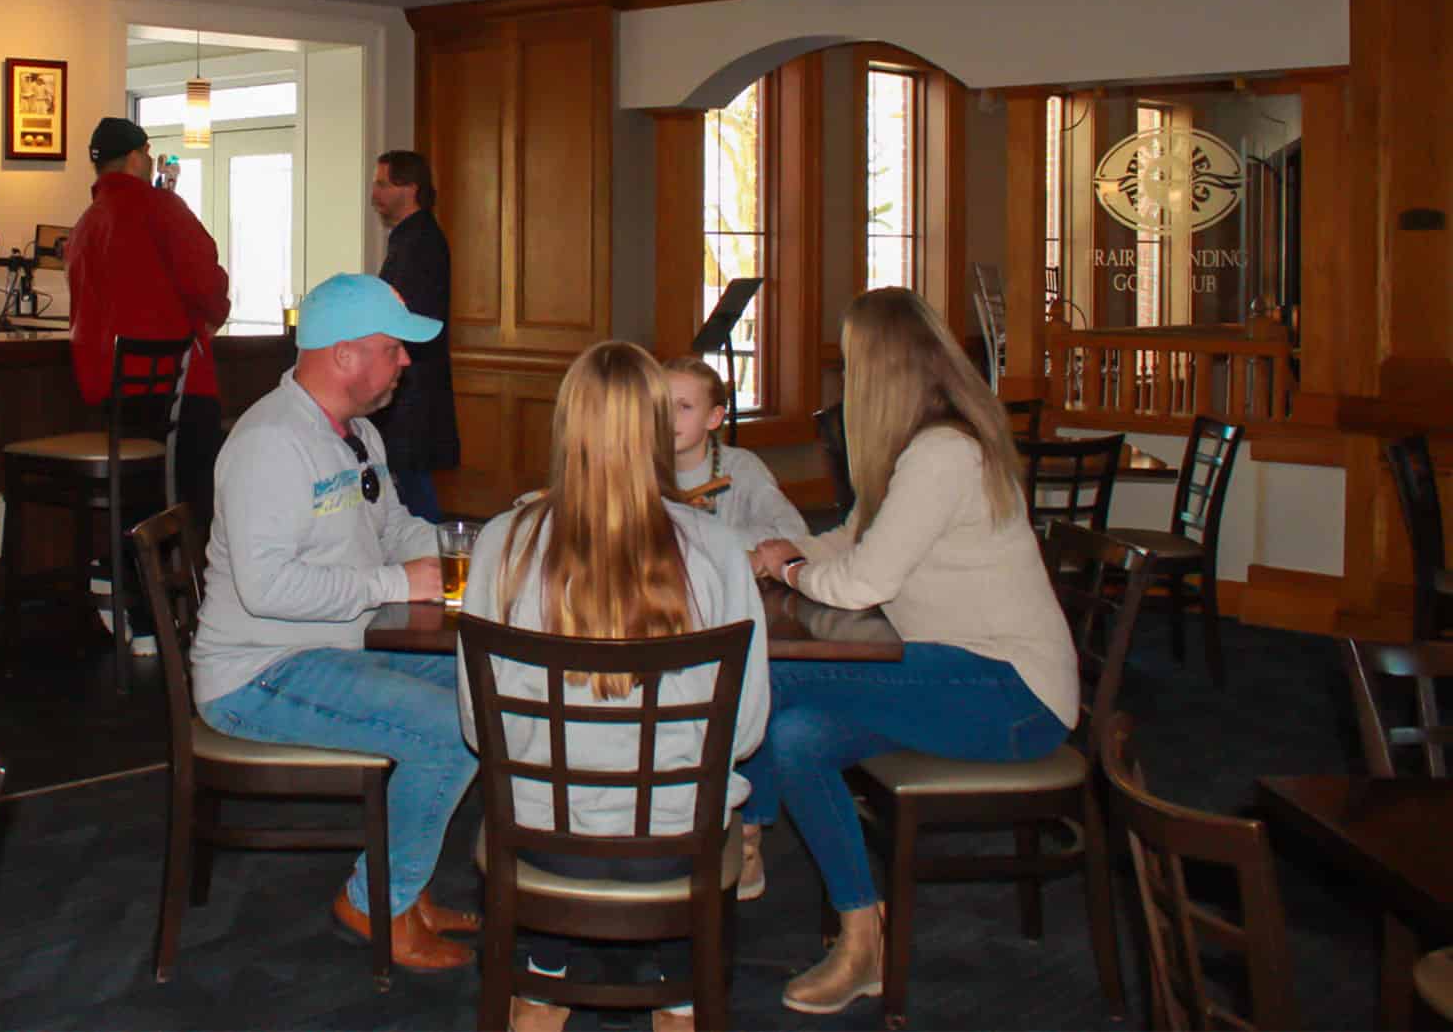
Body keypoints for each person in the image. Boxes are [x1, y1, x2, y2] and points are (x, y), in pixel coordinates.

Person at [740, 287, 1079, 1015]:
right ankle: (864, 939)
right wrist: (783, 550)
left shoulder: (942, 453)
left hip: (1014, 694)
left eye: (851, 361)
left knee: (770, 673)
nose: (844, 377)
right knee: (796, 734)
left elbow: (862, 582)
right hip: (954, 676)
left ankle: (745, 829)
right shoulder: (915, 448)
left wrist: (787, 570)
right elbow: (851, 540)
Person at [460, 341, 770, 1032]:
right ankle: (680, 993)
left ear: (565, 425)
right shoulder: (718, 550)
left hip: (538, 836)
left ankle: (540, 980)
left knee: (544, 801)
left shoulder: (502, 544)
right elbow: (744, 735)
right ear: (660, 429)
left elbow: (478, 729)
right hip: (673, 843)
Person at [191, 272, 479, 972]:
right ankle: (375, 899)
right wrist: (395, 582)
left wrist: (463, 557)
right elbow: (266, 589)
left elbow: (396, 528)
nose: (406, 362)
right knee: (453, 730)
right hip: (256, 674)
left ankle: (405, 888)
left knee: (486, 687)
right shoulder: (270, 444)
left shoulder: (354, 436)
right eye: (394, 349)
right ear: (345, 355)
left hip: (336, 646)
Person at [65, 116, 231, 540]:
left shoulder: (84, 226)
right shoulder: (162, 208)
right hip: (177, 395)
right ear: (137, 156)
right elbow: (206, 282)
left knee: (136, 512)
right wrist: (214, 316)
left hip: (112, 404)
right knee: (191, 512)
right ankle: (186, 597)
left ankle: (132, 595)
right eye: (147, 151)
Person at [368, 150, 459, 522]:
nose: (374, 193)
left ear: (410, 188)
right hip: (413, 384)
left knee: (412, 494)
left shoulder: (418, 241)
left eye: (382, 184)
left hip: (411, 385)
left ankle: (437, 567)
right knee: (409, 488)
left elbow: (402, 314)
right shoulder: (413, 237)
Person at [663, 354, 807, 548]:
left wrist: (711, 539)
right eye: (661, 405)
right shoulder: (641, 469)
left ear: (713, 418)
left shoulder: (741, 468)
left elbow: (794, 531)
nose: (669, 417)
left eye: (684, 407)